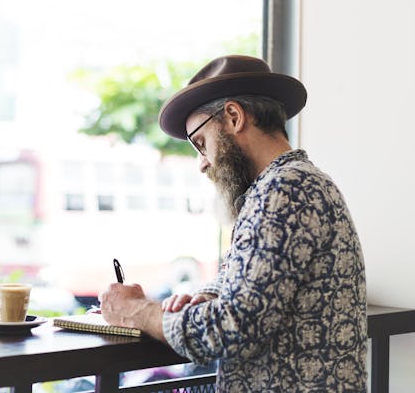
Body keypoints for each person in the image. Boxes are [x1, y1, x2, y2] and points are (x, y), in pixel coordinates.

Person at [99, 55, 367, 391]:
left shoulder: (284, 190)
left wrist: (136, 311)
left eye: (201, 144)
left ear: (234, 116)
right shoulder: (295, 183)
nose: (202, 164)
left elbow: (230, 328)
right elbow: (246, 278)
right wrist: (206, 295)